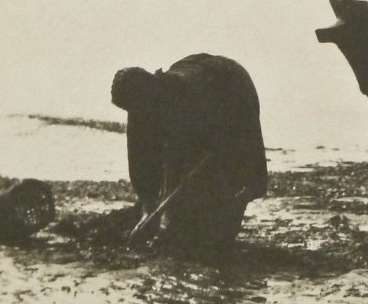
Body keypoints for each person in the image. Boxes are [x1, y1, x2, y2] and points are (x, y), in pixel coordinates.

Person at [111, 53, 267, 255]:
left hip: (231, 87)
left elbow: (208, 154)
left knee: (231, 176)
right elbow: (139, 160)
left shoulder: (187, 100)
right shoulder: (139, 106)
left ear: (151, 94)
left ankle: (225, 226)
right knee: (182, 214)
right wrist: (148, 208)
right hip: (195, 74)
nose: (136, 114)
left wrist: (167, 216)